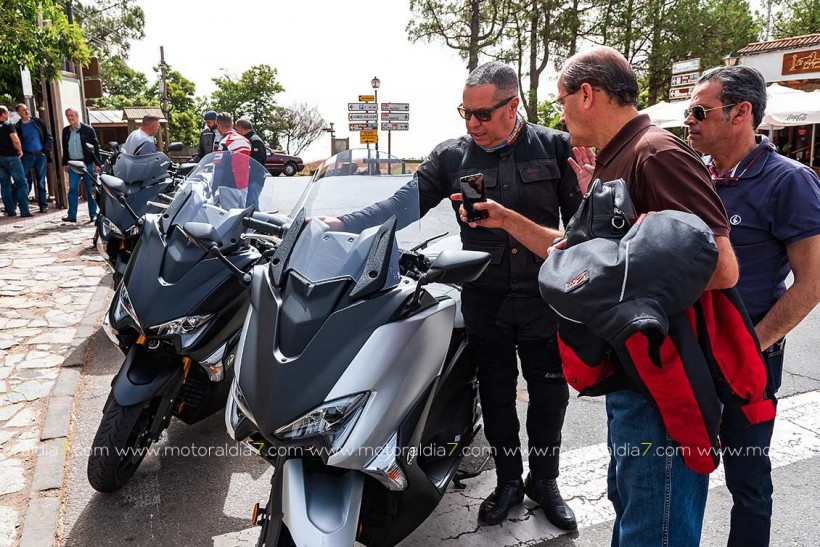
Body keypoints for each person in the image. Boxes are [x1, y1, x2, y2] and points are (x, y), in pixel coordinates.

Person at [462, 47, 740, 545]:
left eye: (562, 99)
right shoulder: (618, 159)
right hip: (634, 379)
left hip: (663, 385)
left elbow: (721, 266)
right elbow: (581, 254)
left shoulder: (656, 155)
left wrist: (611, 271)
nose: (559, 113)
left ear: (587, 94)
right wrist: (503, 218)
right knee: (635, 515)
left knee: (653, 527)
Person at [325, 61, 581, 530]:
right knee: (498, 395)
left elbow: (581, 230)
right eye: (465, 112)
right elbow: (402, 204)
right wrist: (340, 226)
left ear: (513, 106)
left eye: (483, 114)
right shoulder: (452, 156)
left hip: (545, 297)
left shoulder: (556, 147)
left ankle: (545, 482)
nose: (472, 124)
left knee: (549, 395)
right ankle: (508, 482)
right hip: (485, 299)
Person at [685, 65, 820, 547]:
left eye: (700, 111)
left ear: (742, 113)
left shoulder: (790, 181)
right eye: (688, 111)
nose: (690, 121)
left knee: (747, 478)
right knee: (683, 471)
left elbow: (812, 282)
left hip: (749, 357)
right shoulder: (695, 175)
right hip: (688, 351)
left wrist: (752, 345)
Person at [61, 108, 101, 223]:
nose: (70, 118)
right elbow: (65, 148)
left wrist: (98, 163)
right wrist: (64, 163)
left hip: (87, 163)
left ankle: (93, 214)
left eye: (72, 115)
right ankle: (72, 215)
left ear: (77, 116)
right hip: (73, 164)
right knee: (73, 189)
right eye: (68, 115)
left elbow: (96, 147)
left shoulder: (88, 129)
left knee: (90, 190)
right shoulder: (66, 131)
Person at [15, 103, 53, 213]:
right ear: (19, 113)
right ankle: (24, 206)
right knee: (25, 181)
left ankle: (43, 205)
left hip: (40, 155)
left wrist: (46, 150)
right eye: (23, 110)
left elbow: (48, 136)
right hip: (26, 156)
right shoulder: (18, 127)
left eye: (27, 109)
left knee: (41, 181)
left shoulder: (38, 122)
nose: (26, 111)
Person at [211, 112, 251, 209]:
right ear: (232, 124)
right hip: (244, 184)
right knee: (241, 216)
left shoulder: (224, 143)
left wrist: (213, 188)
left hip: (228, 185)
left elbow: (219, 168)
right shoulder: (245, 141)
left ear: (218, 124)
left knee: (230, 218)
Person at [0, 105, 32, 217]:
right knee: (21, 183)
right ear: (3, 114)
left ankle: (10, 210)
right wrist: (20, 150)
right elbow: (15, 139)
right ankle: (24, 211)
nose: (8, 114)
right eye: (7, 112)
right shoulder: (8, 125)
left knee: (4, 185)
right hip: (12, 157)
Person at [234, 117, 267, 209]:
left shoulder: (255, 141)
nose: (236, 132)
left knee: (252, 207)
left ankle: (258, 223)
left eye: (236, 129)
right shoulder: (248, 140)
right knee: (248, 205)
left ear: (241, 128)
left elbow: (257, 163)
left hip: (254, 179)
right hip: (249, 179)